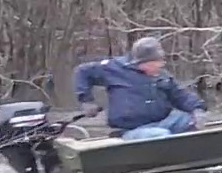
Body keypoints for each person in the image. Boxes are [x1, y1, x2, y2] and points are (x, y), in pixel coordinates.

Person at [74, 36, 206, 140]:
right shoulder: (114, 69)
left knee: (187, 120)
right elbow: (82, 71)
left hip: (162, 122)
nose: (161, 65)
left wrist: (197, 109)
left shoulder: (162, 75)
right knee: (160, 135)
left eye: (161, 61)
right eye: (156, 62)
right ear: (142, 62)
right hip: (132, 130)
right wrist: (86, 100)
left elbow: (181, 96)